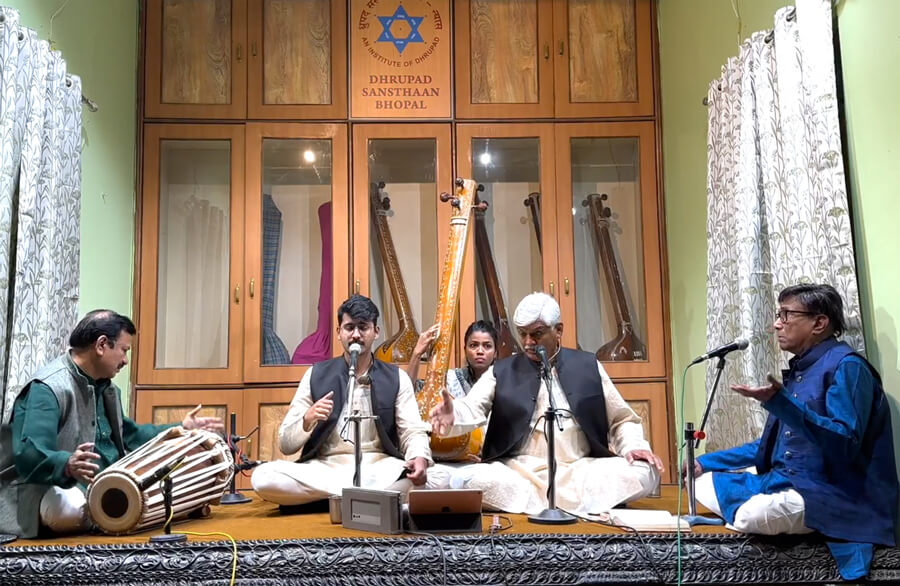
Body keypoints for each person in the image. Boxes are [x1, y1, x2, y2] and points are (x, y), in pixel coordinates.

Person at [689, 284, 898, 580]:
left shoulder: (847, 367)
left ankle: (752, 508)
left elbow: (845, 443)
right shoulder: (801, 371)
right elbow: (770, 445)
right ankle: (748, 501)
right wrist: (704, 463)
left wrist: (782, 403)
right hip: (788, 481)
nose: (777, 323)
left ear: (820, 323)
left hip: (836, 494)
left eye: (787, 315)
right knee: (697, 483)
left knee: (754, 515)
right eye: (779, 314)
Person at [429, 292, 663, 515]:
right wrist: (453, 415)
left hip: (580, 471)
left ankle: (549, 503)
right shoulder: (502, 370)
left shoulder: (588, 366)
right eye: (522, 334)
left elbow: (622, 418)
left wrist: (633, 447)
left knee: (645, 471)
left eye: (537, 334)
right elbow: (472, 407)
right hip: (519, 474)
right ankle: (578, 505)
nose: (528, 342)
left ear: (558, 330)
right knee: (455, 477)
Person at [0, 310, 223, 538]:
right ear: (101, 345)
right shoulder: (47, 389)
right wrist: (67, 464)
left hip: (106, 480)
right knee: (66, 509)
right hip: (52, 489)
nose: (125, 360)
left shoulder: (106, 388)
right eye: (124, 350)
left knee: (165, 483)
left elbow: (129, 435)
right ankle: (109, 513)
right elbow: (28, 453)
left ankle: (110, 512)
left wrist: (181, 427)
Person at [251, 295, 432, 506]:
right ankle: (367, 500)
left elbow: (412, 430)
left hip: (380, 467)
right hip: (326, 469)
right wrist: (306, 421)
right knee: (264, 476)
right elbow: (286, 445)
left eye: (363, 327)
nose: (355, 335)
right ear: (339, 333)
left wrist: (419, 457)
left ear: (376, 332)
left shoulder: (396, 377)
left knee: (436, 478)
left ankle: (340, 500)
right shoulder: (315, 375)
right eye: (349, 328)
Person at [406, 320, 498, 400]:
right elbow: (408, 391)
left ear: (495, 353)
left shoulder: (505, 382)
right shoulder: (451, 380)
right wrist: (416, 353)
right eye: (474, 345)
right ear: (465, 350)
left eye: (487, 346)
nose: (480, 351)